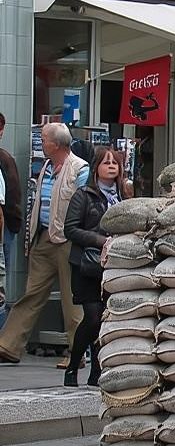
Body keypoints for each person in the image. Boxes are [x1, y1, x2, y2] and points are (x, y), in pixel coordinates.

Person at [0, 123, 89, 366]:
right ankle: (8, 345)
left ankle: (77, 352)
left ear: (56, 144)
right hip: (44, 237)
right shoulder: (48, 166)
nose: (41, 141)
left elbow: (83, 205)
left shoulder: (79, 168)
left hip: (68, 238)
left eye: (44, 138)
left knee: (72, 298)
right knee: (33, 293)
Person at [62, 147, 127, 386]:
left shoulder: (123, 196)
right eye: (105, 162)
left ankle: (96, 372)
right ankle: (73, 366)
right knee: (92, 318)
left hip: (114, 266)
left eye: (115, 163)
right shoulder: (84, 194)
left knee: (105, 320)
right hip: (86, 266)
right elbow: (70, 229)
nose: (111, 166)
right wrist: (101, 240)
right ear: (96, 167)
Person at [0, 114, 21, 329]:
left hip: (4, 227)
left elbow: (13, 196)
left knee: (1, 280)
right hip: (6, 225)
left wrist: (12, 224)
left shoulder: (4, 159)